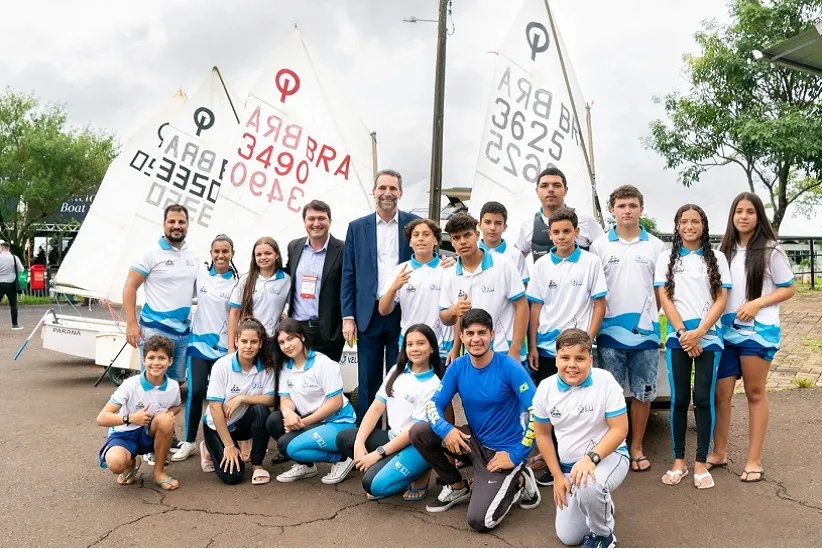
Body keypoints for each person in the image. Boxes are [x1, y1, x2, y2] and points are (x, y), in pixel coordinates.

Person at [409, 309, 541, 533]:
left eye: (482, 333)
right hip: (474, 442)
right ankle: (457, 486)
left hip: (503, 452)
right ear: (461, 337)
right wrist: (446, 430)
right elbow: (434, 405)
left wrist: (516, 454)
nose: (476, 339)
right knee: (419, 432)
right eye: (470, 333)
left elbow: (537, 411)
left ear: (492, 334)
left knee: (480, 520)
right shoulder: (458, 366)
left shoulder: (509, 367)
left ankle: (519, 479)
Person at [709, 192, 796, 483]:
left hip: (758, 334)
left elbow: (788, 288)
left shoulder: (771, 250)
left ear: (759, 216)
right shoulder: (724, 251)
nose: (743, 217)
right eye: (738, 211)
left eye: (749, 211)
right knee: (720, 394)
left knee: (755, 393)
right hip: (725, 333)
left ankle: (753, 460)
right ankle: (719, 453)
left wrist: (757, 303)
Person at [589, 185, 666, 473]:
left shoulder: (656, 247)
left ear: (641, 209)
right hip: (609, 334)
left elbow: (660, 291)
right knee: (611, 394)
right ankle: (615, 445)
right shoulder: (599, 247)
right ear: (612, 210)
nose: (627, 211)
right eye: (621, 206)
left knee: (643, 393)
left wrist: (648, 318)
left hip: (645, 334)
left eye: (632, 205)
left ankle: (637, 447)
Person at [655, 204, 730, 490]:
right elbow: (665, 298)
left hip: (708, 337)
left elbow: (721, 299)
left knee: (703, 398)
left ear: (703, 225)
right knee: (679, 400)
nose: (689, 226)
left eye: (695, 221)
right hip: (679, 338)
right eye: (684, 221)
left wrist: (699, 332)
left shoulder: (717, 258)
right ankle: (679, 461)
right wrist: (684, 334)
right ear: (677, 226)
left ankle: (700, 462)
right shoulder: (666, 258)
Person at [533, 329, 630, 548]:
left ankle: (603, 536)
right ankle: (600, 504)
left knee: (589, 485)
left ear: (590, 360)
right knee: (569, 537)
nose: (572, 365)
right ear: (556, 359)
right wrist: (558, 476)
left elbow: (619, 429)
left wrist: (591, 458)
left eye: (579, 358)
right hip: (569, 468)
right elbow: (542, 434)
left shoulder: (605, 381)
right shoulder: (546, 389)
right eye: (565, 358)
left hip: (608, 457)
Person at [341, 169, 419, 422]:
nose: (387, 193)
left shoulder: (414, 225)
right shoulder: (356, 227)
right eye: (382, 188)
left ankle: (398, 431)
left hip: (404, 312)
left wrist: (446, 262)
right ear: (373, 192)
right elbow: (349, 273)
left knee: (401, 377)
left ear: (400, 192)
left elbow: (428, 258)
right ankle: (366, 436)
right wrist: (348, 316)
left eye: (393, 188)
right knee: (368, 380)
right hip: (368, 314)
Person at [335, 324, 444, 500]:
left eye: (421, 343)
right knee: (344, 439)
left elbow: (411, 432)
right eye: (410, 344)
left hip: (415, 446)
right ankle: (394, 471)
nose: (415, 348)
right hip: (393, 437)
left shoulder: (433, 384)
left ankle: (420, 473)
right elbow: (376, 408)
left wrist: (377, 454)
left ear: (432, 347)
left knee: (372, 485)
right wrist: (359, 443)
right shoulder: (397, 371)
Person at [266, 318, 358, 484]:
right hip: (313, 422)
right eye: (281, 342)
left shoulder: (323, 363)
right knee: (275, 421)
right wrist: (288, 412)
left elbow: (335, 403)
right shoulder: (285, 367)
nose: (287, 345)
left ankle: (343, 458)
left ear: (301, 336)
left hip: (338, 422)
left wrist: (302, 422)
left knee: (289, 446)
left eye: (290, 339)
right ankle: (307, 466)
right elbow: (285, 399)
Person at [174, 235, 238, 462]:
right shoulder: (200, 275)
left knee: (224, 396)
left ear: (232, 254)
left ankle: (224, 439)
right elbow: (180, 290)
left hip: (224, 348)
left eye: (225, 251)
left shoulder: (237, 282)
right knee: (197, 391)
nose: (220, 255)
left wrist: (233, 347)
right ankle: (189, 441)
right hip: (198, 345)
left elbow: (238, 314)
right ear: (211, 253)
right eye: (216, 251)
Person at [527, 208, 607, 384]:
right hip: (547, 347)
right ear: (550, 234)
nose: (561, 236)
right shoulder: (541, 265)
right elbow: (536, 308)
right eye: (556, 232)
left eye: (566, 231)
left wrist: (588, 340)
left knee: (580, 396)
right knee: (549, 397)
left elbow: (600, 305)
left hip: (579, 348)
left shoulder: (592, 262)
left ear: (576, 232)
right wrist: (533, 346)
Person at [123, 204, 199, 383]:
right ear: (164, 224)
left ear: (187, 225)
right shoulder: (150, 253)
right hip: (155, 329)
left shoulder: (193, 256)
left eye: (181, 222)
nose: (176, 226)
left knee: (176, 383)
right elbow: (129, 287)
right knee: (153, 382)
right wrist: (131, 323)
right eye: (171, 221)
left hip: (183, 332)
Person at [439, 213, 527, 365]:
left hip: (505, 351)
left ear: (477, 234)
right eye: (456, 238)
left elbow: (522, 306)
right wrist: (454, 311)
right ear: (451, 242)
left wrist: (515, 349)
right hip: (473, 355)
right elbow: (445, 317)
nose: (463, 241)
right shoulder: (450, 274)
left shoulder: (503, 264)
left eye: (467, 235)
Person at [96, 335, 182, 491]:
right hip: (124, 434)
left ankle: (159, 472)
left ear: (170, 361)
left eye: (162, 358)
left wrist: (168, 414)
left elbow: (176, 406)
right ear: (144, 360)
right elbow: (102, 418)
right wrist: (130, 418)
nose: (156, 362)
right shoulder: (130, 384)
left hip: (150, 433)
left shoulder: (173, 386)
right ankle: (131, 463)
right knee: (115, 464)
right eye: (151, 357)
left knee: (166, 420)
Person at [200, 317, 275, 485]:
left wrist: (241, 398)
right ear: (236, 341)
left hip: (242, 423)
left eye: (254, 342)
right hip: (218, 425)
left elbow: (271, 399)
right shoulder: (222, 366)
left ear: (261, 344)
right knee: (233, 477)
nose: (248, 346)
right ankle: (209, 447)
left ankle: (257, 465)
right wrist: (229, 446)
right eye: (244, 341)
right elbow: (215, 407)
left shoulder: (266, 367)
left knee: (261, 411)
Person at [378, 218, 451, 361]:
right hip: (411, 347)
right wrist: (394, 287)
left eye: (426, 234)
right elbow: (383, 310)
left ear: (436, 240)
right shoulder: (401, 270)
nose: (420, 239)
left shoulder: (447, 268)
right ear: (410, 242)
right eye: (416, 235)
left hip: (442, 347)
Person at [286, 200, 346, 362]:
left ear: (330, 221)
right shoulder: (294, 247)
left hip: (329, 331)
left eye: (321, 218)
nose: (316, 223)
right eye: (311, 219)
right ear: (304, 222)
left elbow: (350, 288)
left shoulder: (343, 250)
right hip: (297, 330)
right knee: (296, 375)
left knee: (327, 376)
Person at [516, 167, 605, 260]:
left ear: (565, 190)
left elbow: (606, 250)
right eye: (544, 186)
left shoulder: (585, 219)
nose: (550, 189)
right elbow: (515, 259)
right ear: (537, 191)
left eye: (557, 185)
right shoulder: (529, 225)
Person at [228, 237, 290, 347]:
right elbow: (234, 312)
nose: (263, 257)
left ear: (277, 255)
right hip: (248, 341)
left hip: (272, 341)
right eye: (259, 255)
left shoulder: (286, 280)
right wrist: (231, 347)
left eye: (268, 253)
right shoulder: (245, 279)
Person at [478, 201, 530, 285]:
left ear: (504, 227)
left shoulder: (515, 255)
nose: (492, 228)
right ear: (479, 225)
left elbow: (523, 286)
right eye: (487, 222)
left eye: (498, 223)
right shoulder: (470, 253)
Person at [0, 241, 24, 330]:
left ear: (2, 248)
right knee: (13, 305)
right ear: (9, 248)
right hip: (11, 284)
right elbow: (21, 269)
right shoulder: (14, 258)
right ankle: (15, 325)